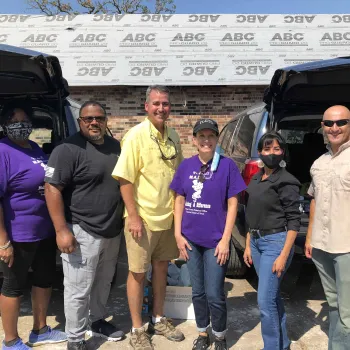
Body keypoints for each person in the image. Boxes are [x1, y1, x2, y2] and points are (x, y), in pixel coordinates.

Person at [44, 101, 125, 350]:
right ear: (80, 122)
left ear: (105, 120)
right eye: (88, 119)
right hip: (82, 230)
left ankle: (97, 320)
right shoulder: (67, 149)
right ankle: (76, 338)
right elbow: (51, 188)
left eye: (99, 118)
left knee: (103, 282)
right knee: (78, 289)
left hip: (111, 231)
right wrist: (61, 230)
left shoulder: (115, 146)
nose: (94, 123)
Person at [112, 85, 184, 350]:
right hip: (141, 219)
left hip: (168, 217)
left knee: (162, 269)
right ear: (146, 106)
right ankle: (137, 328)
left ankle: (158, 317)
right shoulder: (135, 136)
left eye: (165, 104)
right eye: (156, 103)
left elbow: (178, 176)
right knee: (138, 273)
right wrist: (133, 216)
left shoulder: (174, 135)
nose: (161, 108)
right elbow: (124, 179)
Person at [170, 118, 246, 350]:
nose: (206, 140)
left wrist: (225, 240)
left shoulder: (227, 166)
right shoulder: (186, 166)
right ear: (194, 140)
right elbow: (179, 199)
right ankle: (203, 334)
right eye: (201, 136)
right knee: (198, 292)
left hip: (216, 242)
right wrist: (177, 235)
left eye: (210, 136)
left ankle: (220, 336)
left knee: (214, 293)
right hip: (191, 240)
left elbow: (233, 204)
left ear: (216, 139)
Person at [0, 103, 67, 350]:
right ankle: (10, 340)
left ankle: (40, 330)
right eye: (16, 121)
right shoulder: (2, 151)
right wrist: (3, 241)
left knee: (44, 279)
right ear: (6, 125)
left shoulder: (35, 147)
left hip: (45, 231)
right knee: (13, 286)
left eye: (25, 121)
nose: (22, 126)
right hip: (18, 234)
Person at [243, 131, 301, 350]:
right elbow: (250, 213)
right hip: (257, 243)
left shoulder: (287, 181)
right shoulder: (257, 178)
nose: (272, 153)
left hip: (276, 243)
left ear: (283, 152)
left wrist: (283, 256)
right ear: (260, 152)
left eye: (276, 149)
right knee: (272, 297)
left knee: (265, 302)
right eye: (267, 149)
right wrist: (248, 244)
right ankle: (282, 344)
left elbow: (294, 222)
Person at [305, 105, 350, 350]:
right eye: (329, 123)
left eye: (341, 122)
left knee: (347, 313)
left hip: (347, 247)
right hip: (322, 245)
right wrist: (310, 236)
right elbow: (314, 199)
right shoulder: (318, 163)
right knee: (333, 304)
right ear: (322, 126)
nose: (335, 128)